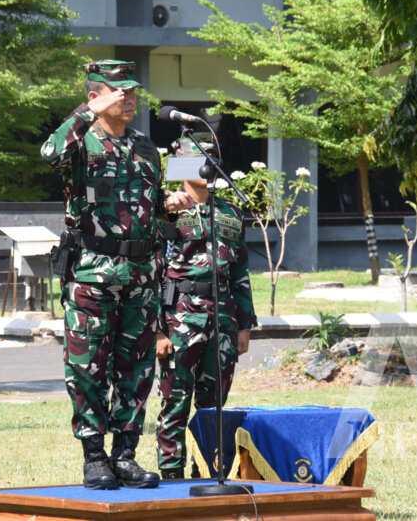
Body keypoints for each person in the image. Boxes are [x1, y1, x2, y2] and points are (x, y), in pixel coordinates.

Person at [41, 60, 193, 489]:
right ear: (95, 97)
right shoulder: (80, 141)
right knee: (88, 368)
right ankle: (94, 456)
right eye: (118, 92)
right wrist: (86, 112)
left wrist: (168, 203)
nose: (128, 99)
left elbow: (142, 204)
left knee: (137, 369)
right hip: (91, 274)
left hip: (141, 276)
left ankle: (125, 454)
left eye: (131, 92)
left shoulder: (145, 147)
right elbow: (49, 153)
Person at [155, 166, 258, 480]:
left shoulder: (230, 212)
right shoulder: (165, 212)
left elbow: (240, 271)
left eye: (210, 158)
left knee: (214, 405)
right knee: (175, 399)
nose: (205, 165)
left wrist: (244, 324)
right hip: (179, 316)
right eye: (196, 157)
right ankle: (171, 475)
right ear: (182, 166)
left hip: (223, 318)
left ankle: (207, 471)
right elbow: (151, 270)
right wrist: (157, 330)